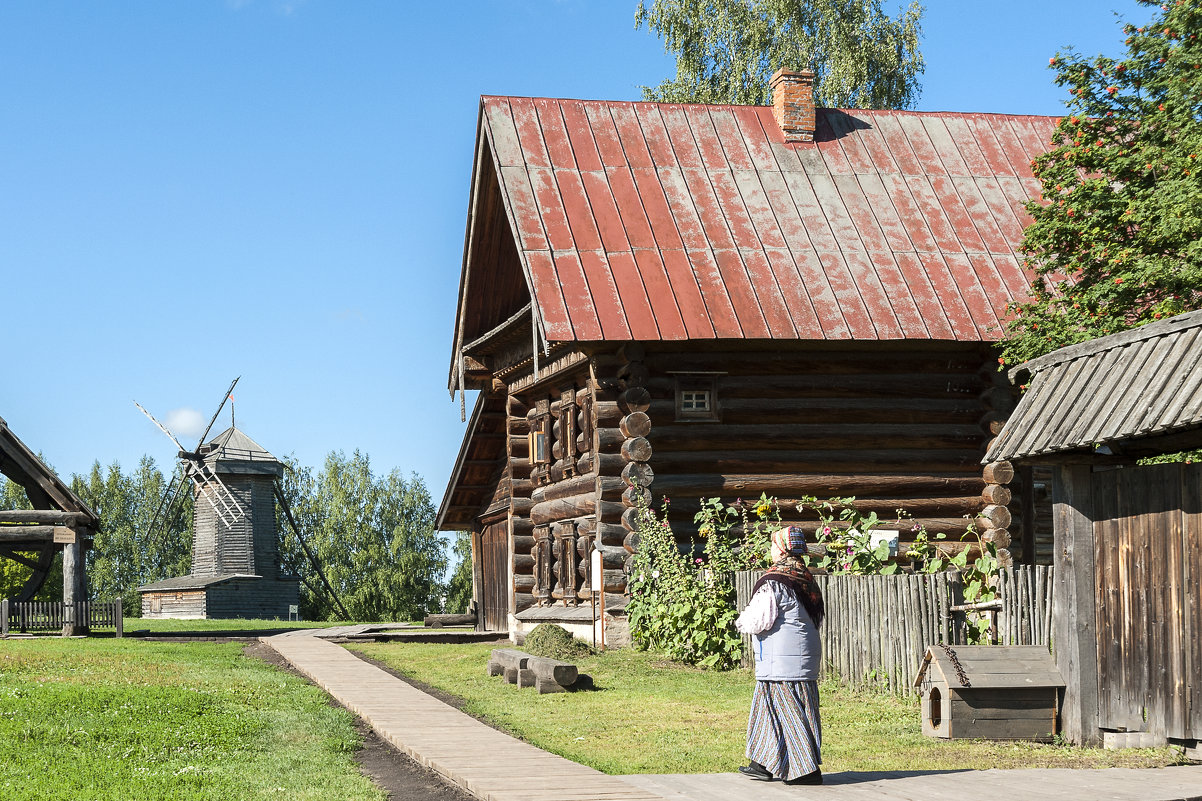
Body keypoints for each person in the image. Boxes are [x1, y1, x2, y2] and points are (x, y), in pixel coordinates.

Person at [734, 525, 825, 786]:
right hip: (797, 657)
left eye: (774, 545)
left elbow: (758, 619)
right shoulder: (803, 577)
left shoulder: (776, 580)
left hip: (783, 662)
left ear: (783, 549)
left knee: (788, 713)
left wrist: (739, 621)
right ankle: (761, 764)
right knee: (768, 710)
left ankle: (805, 771)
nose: (771, 550)